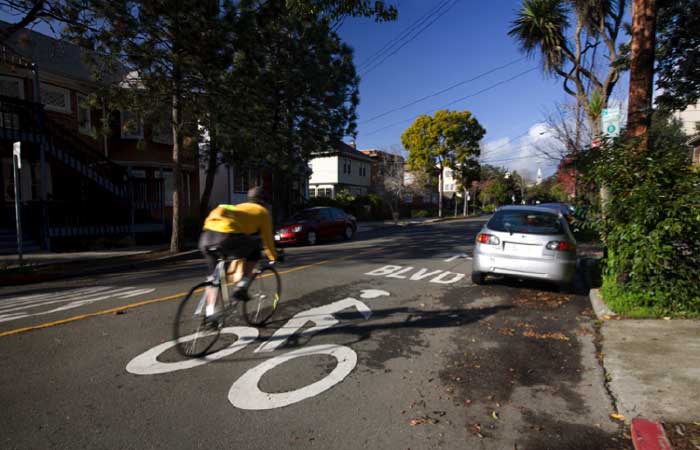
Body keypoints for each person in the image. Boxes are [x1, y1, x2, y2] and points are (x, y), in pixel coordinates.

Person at [198, 186, 277, 318]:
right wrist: (273, 256)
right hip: (226, 236)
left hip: (206, 237)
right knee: (255, 251)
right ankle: (241, 287)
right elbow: (267, 239)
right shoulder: (263, 212)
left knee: (213, 278)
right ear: (263, 201)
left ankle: (210, 312)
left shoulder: (238, 206)